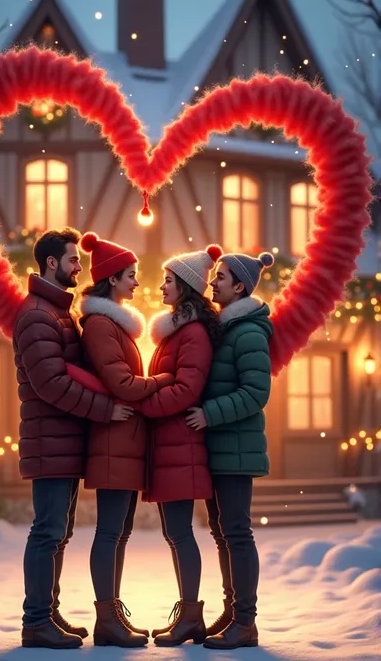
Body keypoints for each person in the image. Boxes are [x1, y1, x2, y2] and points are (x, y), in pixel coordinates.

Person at [13, 228, 133, 650]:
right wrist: (105, 409)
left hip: (63, 440)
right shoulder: (36, 316)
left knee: (58, 532)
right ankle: (35, 621)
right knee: (47, 530)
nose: (79, 266)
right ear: (51, 263)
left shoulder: (56, 312)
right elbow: (51, 384)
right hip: (50, 441)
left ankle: (48, 612)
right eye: (72, 259)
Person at [77, 232, 174, 648]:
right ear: (112, 279)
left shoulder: (114, 325)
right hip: (114, 443)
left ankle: (112, 612)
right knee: (110, 531)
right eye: (130, 276)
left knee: (119, 532)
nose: (137, 283)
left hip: (125, 443)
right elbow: (121, 382)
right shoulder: (101, 326)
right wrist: (165, 379)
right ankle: (106, 618)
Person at [185, 251, 274, 651]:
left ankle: (246, 622)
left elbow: (257, 393)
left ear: (239, 285)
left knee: (237, 533)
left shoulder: (249, 331)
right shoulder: (227, 327)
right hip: (221, 447)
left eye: (221, 277)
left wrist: (208, 414)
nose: (213, 282)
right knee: (223, 534)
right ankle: (232, 611)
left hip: (236, 448)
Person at [138, 245, 223, 647]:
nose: (161, 286)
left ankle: (191, 614)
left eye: (168, 280)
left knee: (181, 532)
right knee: (177, 532)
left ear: (186, 286)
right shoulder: (179, 331)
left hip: (181, 446)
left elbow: (187, 388)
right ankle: (188, 612)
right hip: (172, 446)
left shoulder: (192, 333)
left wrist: (144, 406)